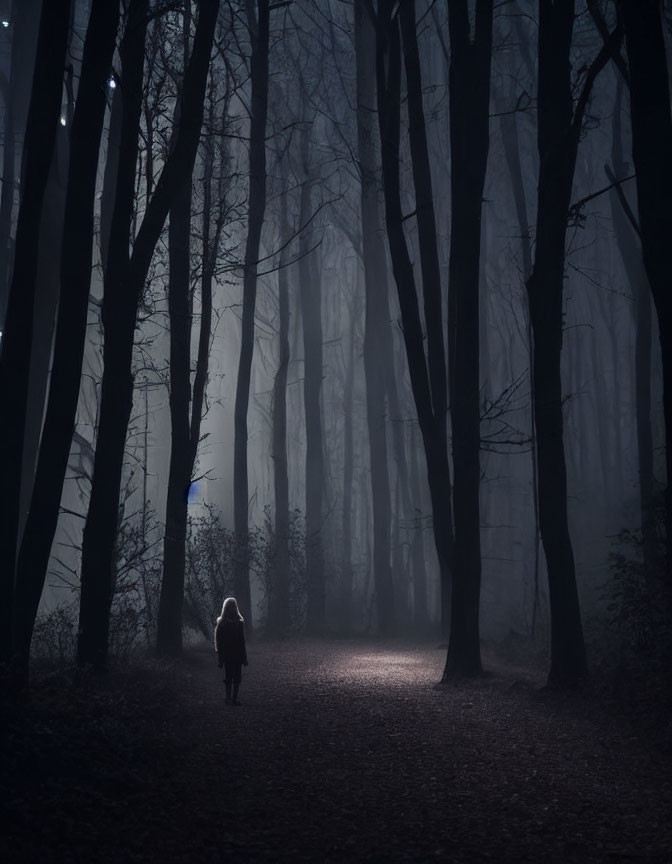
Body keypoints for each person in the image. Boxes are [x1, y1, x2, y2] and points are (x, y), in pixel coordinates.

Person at [214, 597, 248, 705]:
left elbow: (242, 642)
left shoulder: (239, 623)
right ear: (226, 608)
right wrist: (220, 658)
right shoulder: (222, 623)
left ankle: (234, 699)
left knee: (237, 677)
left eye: (233, 607)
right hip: (227, 654)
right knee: (228, 676)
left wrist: (244, 658)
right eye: (230, 607)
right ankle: (229, 698)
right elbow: (218, 642)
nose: (232, 609)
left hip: (237, 654)